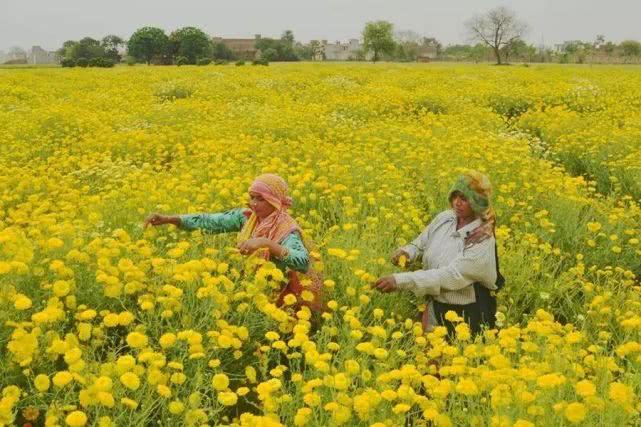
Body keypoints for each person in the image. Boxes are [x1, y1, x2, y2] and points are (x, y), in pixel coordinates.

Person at [144, 173, 323, 313]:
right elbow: (209, 221)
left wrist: (267, 243)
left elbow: (303, 262)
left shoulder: (287, 229)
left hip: (283, 296)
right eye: (252, 197)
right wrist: (169, 219)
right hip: (252, 288)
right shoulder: (247, 218)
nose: (253, 204)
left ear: (275, 201)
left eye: (260, 199)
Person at [372, 170, 500, 337]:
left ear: (477, 203)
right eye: (454, 197)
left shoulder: (482, 238)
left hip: (467, 314)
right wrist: (407, 252)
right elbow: (421, 243)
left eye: (464, 199)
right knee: (431, 355)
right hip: (436, 305)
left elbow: (450, 276)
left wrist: (400, 280)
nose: (457, 203)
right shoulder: (445, 218)